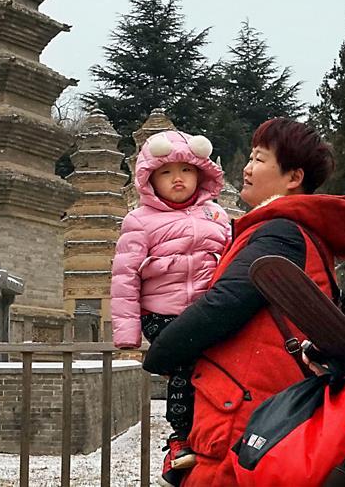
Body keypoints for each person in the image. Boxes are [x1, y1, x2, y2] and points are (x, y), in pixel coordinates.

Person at [143, 117, 345, 486]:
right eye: (250, 157)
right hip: (258, 411)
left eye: (259, 160)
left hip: (241, 417)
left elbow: (226, 302)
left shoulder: (279, 232)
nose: (247, 168)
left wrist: (162, 352)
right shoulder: (303, 234)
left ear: (293, 177)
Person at [110, 130, 231, 487]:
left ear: (202, 175)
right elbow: (124, 279)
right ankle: (181, 438)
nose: (177, 178)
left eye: (186, 170)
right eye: (166, 172)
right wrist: (127, 337)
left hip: (210, 312)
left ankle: (214, 435)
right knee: (185, 368)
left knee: (220, 372)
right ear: (149, 179)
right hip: (163, 314)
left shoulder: (216, 215)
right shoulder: (139, 221)